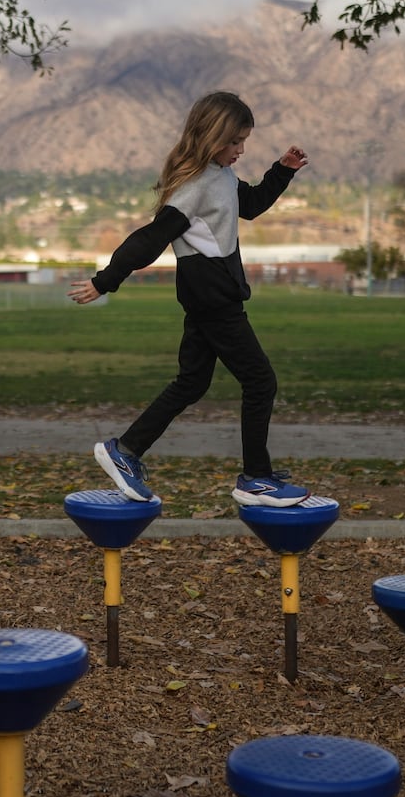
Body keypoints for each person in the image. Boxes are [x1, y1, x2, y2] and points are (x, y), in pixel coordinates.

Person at [68, 90, 311, 508]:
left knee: (192, 382)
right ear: (212, 135)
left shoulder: (221, 177)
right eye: (234, 142)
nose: (239, 150)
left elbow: (249, 206)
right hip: (214, 299)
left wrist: (281, 172)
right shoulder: (193, 187)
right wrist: (105, 281)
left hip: (210, 297)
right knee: (260, 380)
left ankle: (124, 451)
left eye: (243, 143)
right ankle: (255, 478)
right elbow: (147, 240)